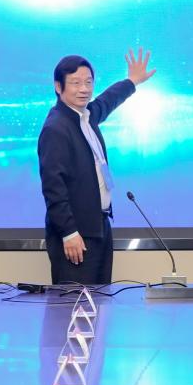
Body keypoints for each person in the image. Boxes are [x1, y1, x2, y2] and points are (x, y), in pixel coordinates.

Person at [38, 49, 156, 285]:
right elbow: (53, 187)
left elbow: (107, 100)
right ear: (58, 87)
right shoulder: (56, 127)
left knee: (101, 299)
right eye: (75, 83)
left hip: (98, 226)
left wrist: (132, 81)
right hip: (76, 234)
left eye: (88, 82)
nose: (84, 89)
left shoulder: (86, 116)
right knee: (75, 303)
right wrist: (69, 232)